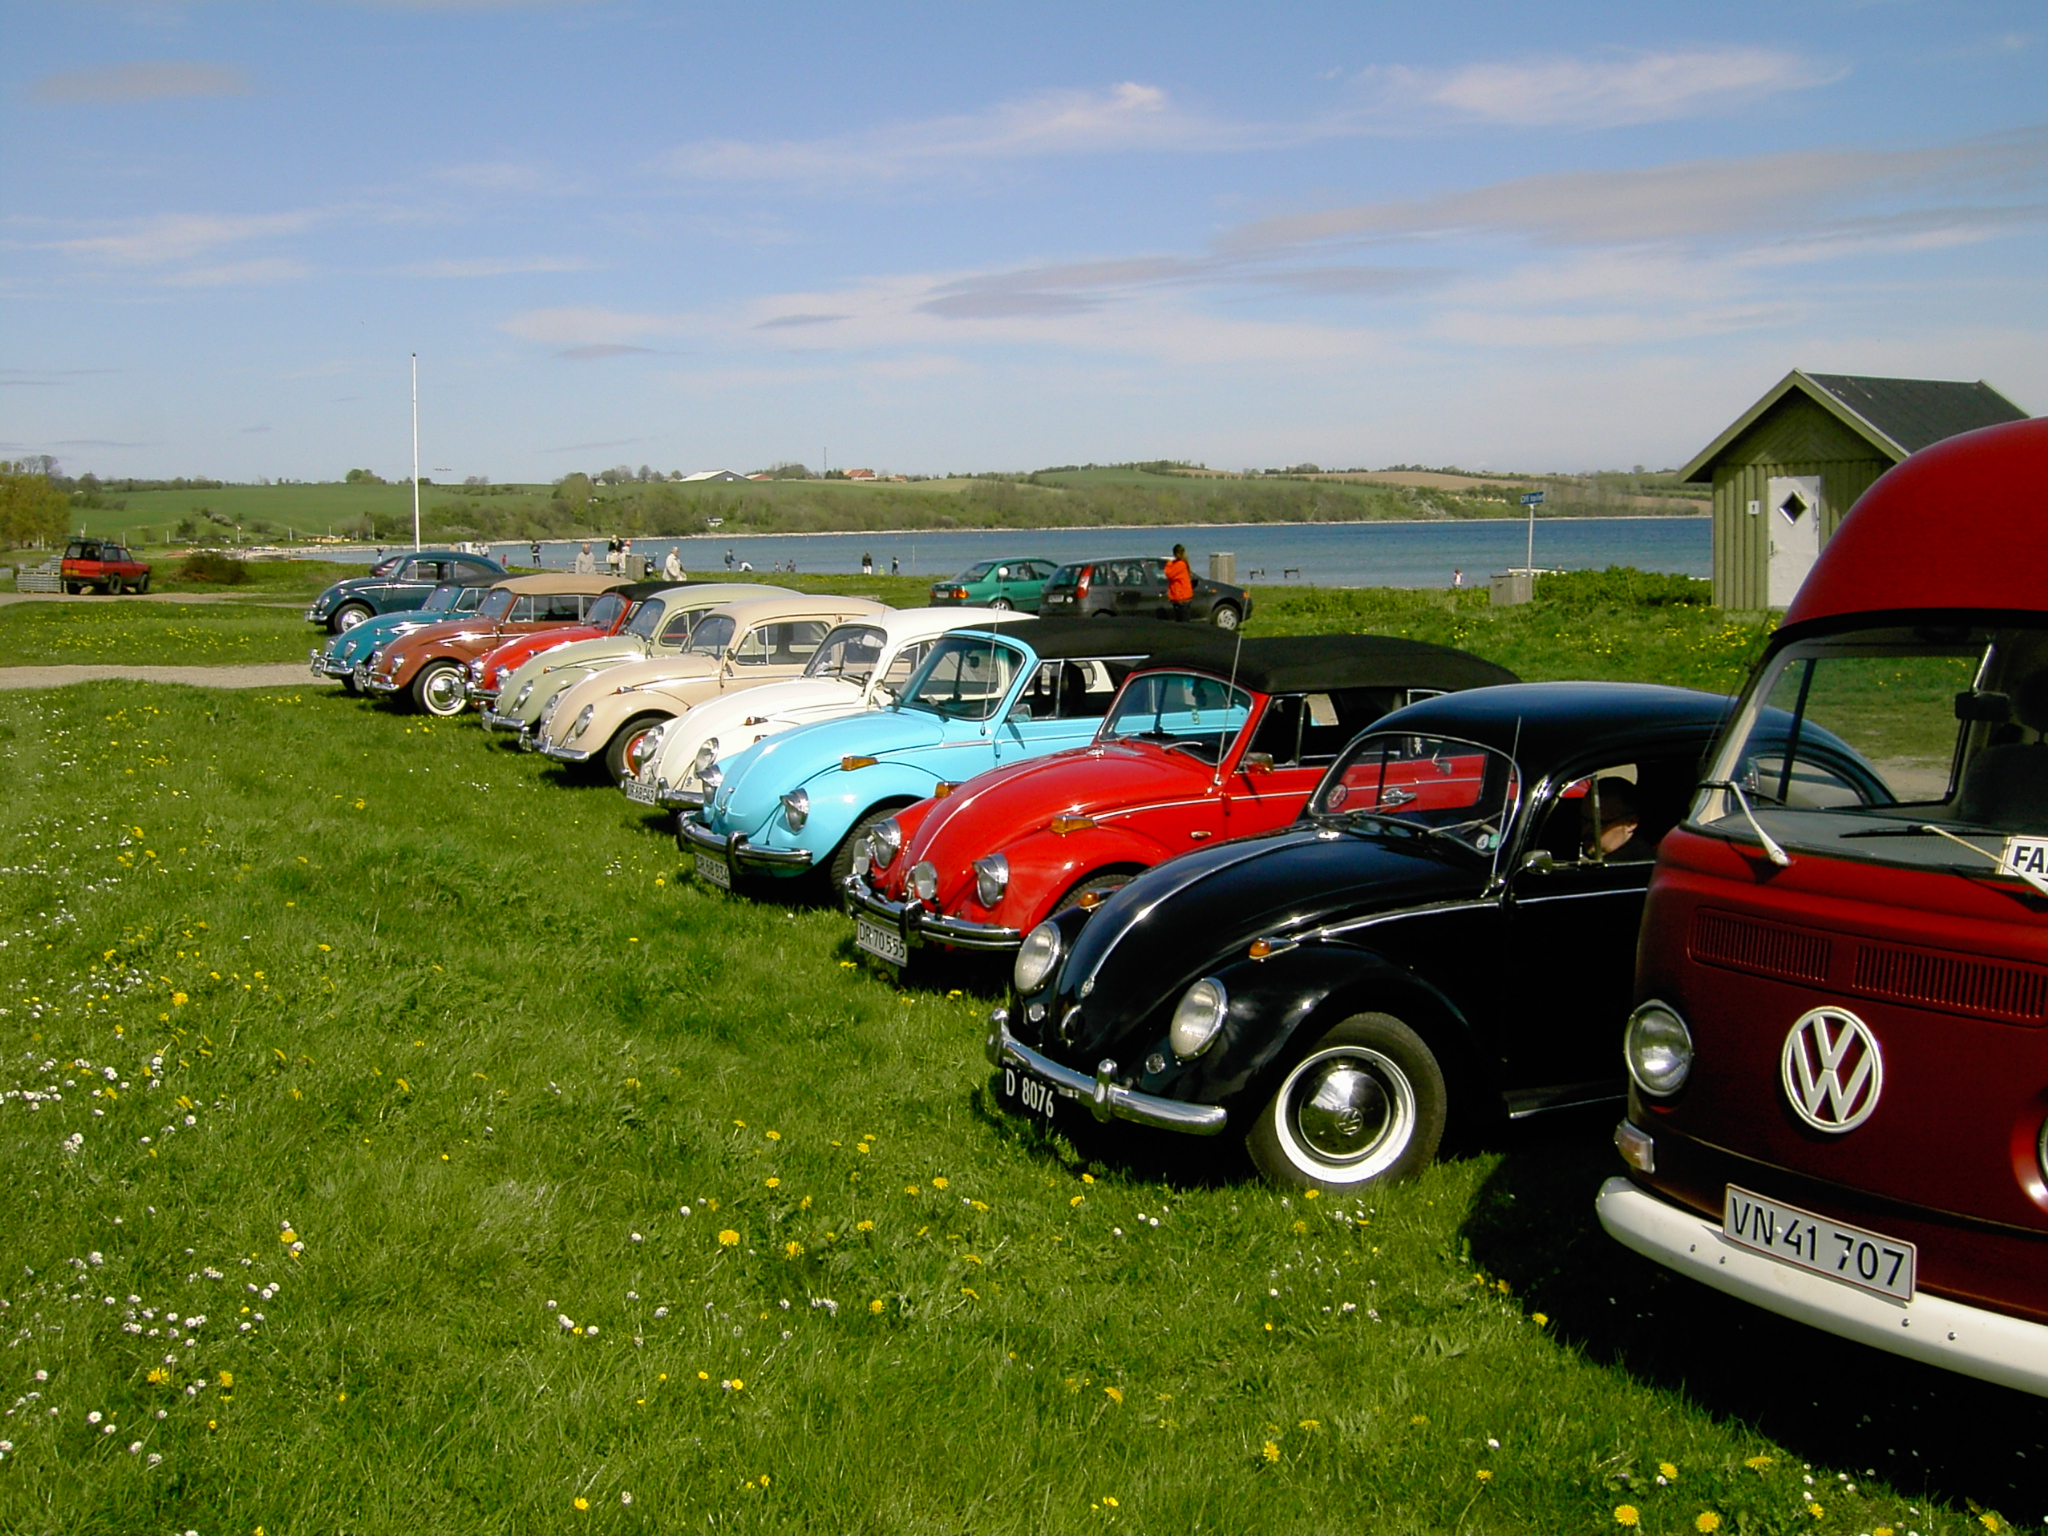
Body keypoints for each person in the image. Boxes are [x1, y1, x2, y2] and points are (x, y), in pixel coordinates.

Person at [1582, 777, 1656, 863]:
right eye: (1584, 821)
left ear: (1631, 823)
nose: (1586, 830)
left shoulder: (1641, 864)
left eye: (1599, 823)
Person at [1164, 543, 1194, 621]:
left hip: (1181, 597)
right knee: (1182, 620)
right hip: (1181, 597)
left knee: (1183, 621)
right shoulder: (1181, 564)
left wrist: (1169, 564)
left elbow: (1169, 574)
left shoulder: (1180, 564)